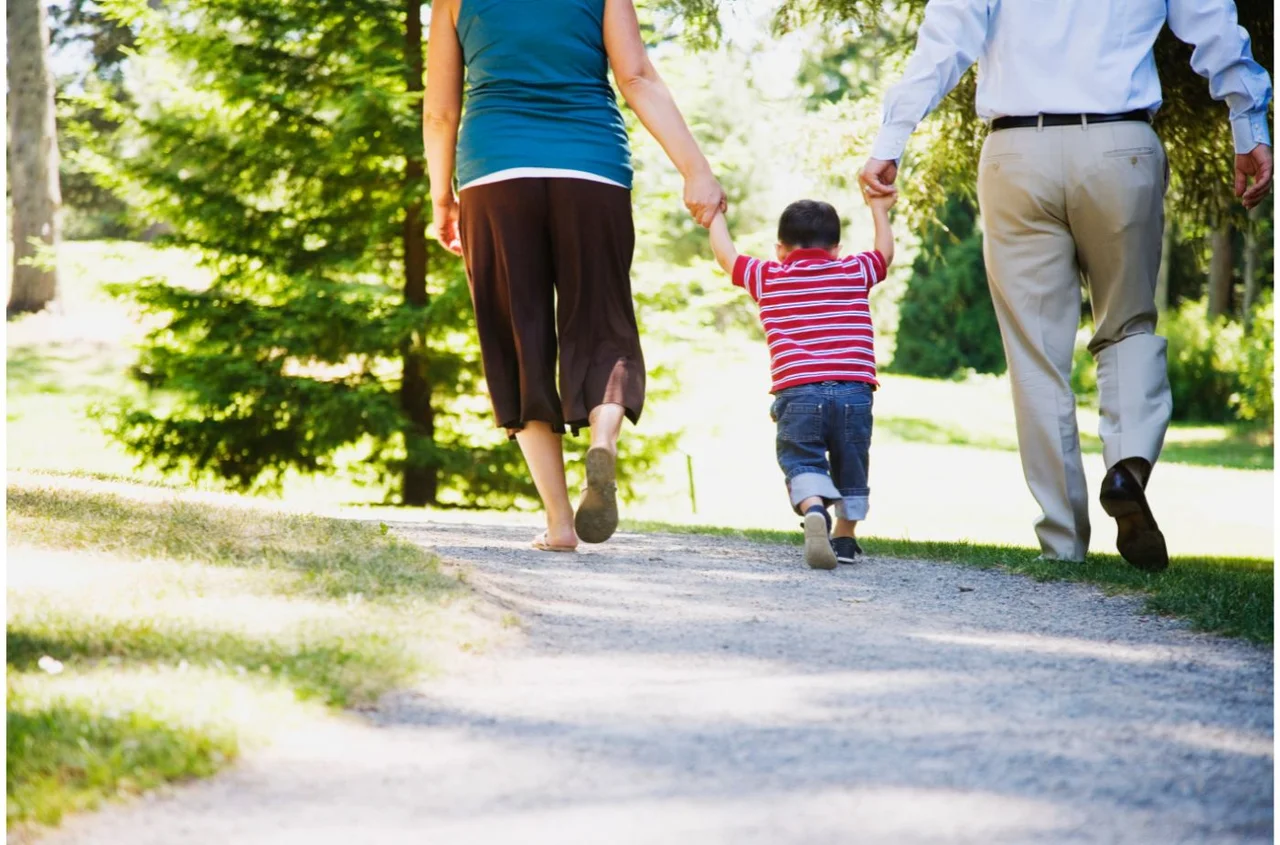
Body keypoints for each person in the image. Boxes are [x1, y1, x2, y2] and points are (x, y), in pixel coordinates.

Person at [860, 0, 1273, 571]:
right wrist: (1249, 123)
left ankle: (1062, 543)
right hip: (1119, 143)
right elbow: (1214, 26)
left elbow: (945, 39)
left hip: (1016, 152)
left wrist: (892, 139)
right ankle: (1128, 466)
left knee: (1036, 353)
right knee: (1127, 325)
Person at [424, 0, 725, 552]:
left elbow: (440, 112)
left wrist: (442, 197)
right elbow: (635, 76)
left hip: (494, 171)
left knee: (521, 341)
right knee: (603, 323)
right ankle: (602, 441)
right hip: (593, 166)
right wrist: (696, 170)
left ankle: (560, 525)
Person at [708, 194, 895, 570]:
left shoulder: (768, 276)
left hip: (798, 392)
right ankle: (844, 538)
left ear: (780, 248)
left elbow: (727, 258)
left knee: (803, 458)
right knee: (852, 462)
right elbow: (885, 253)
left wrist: (714, 216)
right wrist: (879, 209)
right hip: (854, 389)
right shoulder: (853, 270)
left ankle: (813, 509)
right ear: (837, 248)